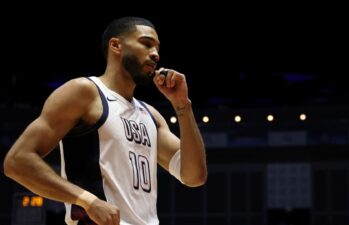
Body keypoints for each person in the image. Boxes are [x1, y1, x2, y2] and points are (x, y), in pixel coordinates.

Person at [3, 16, 207, 225]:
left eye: (157, 48)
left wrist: (183, 104)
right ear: (116, 45)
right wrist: (88, 201)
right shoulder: (85, 92)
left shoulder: (151, 115)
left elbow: (194, 176)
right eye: (146, 44)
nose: (155, 54)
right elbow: (17, 161)